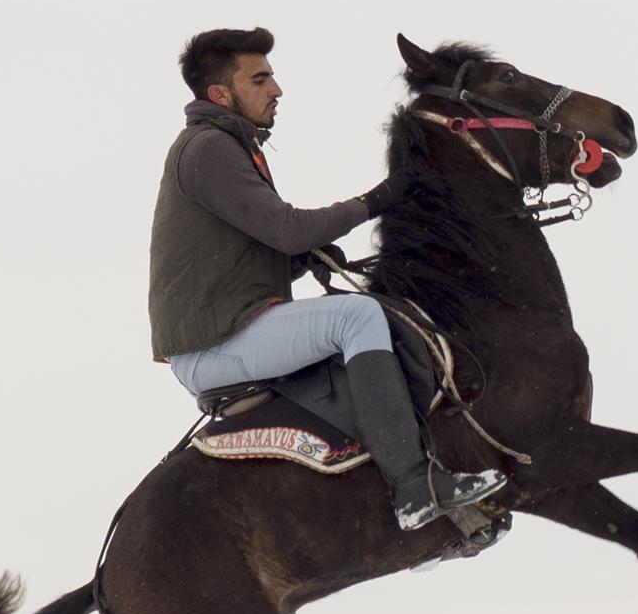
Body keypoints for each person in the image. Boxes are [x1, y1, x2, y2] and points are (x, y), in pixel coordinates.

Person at [149, 27, 505, 532]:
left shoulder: (226, 145)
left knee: (360, 321)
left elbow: (260, 245)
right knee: (358, 318)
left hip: (225, 333)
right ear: (220, 95)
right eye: (260, 79)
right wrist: (375, 201)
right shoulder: (209, 147)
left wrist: (301, 260)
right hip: (212, 346)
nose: (277, 89)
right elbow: (286, 229)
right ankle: (412, 485)